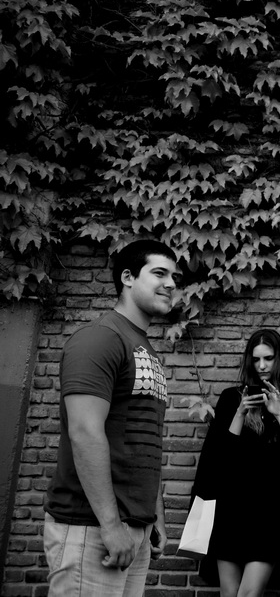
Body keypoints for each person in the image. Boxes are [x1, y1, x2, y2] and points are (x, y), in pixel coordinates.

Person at [43, 239, 180, 597]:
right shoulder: (100, 339)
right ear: (128, 277)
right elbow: (85, 432)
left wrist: (155, 515)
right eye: (159, 273)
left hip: (132, 526)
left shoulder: (143, 347)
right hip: (92, 528)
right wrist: (109, 524)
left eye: (174, 277)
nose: (171, 284)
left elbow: (143, 438)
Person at [189, 328, 280, 597]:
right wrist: (240, 413)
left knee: (248, 594)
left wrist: (279, 413)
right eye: (256, 359)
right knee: (229, 593)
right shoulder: (232, 398)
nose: (262, 366)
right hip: (231, 511)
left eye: (268, 358)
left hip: (273, 515)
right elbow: (221, 459)